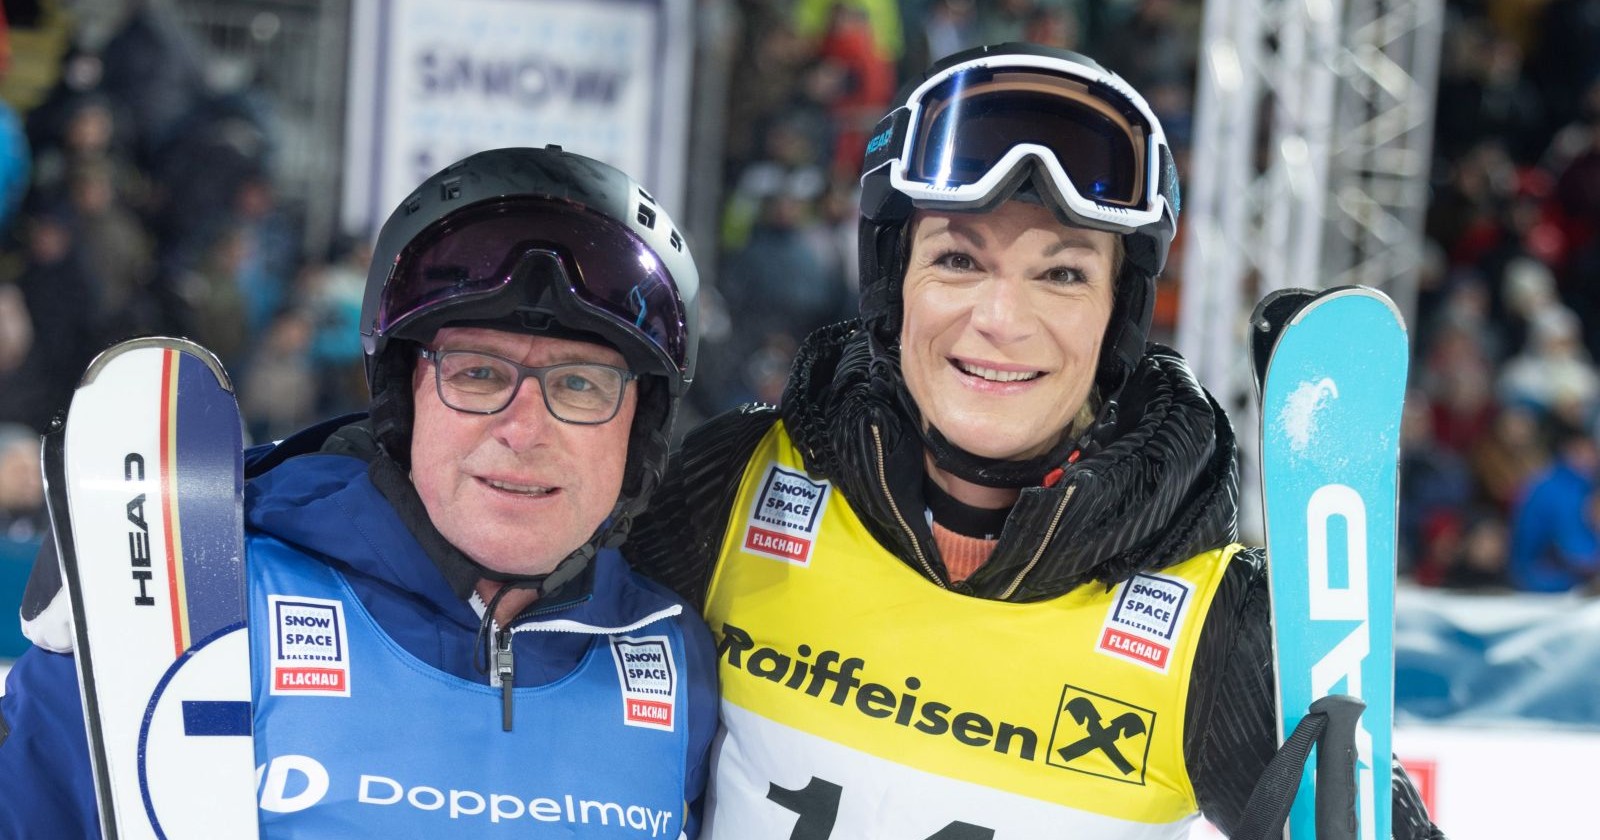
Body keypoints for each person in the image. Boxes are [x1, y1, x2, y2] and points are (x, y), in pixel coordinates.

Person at [626, 44, 1444, 837]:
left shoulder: (1213, 633)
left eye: (1063, 274)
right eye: (957, 259)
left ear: (1116, 316)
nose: (1000, 321)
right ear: (893, 287)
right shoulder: (734, 489)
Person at [0, 146, 718, 836]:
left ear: (640, 430)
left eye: (580, 384)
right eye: (477, 374)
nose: (524, 429)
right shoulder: (200, 600)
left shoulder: (676, 659)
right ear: (405, 403)